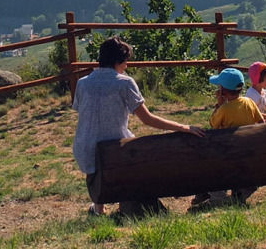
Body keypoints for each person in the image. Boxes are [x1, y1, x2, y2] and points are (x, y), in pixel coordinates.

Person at [72, 37, 205, 216]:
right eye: (126, 62)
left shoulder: (82, 83)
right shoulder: (124, 83)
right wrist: (183, 127)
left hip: (84, 148)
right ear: (119, 61)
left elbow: (83, 112)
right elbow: (147, 119)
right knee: (130, 150)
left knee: (104, 159)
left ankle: (99, 208)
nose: (127, 66)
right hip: (113, 151)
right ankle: (125, 204)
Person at [190, 68, 265, 207]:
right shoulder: (249, 102)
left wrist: (219, 104)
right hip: (248, 154)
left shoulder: (224, 109)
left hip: (226, 154)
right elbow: (261, 123)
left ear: (223, 91)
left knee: (213, 170)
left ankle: (216, 198)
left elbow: (213, 124)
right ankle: (238, 195)